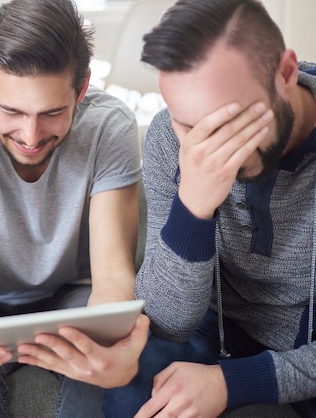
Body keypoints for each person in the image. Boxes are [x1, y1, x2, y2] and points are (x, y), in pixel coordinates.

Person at [0, 0, 150, 416]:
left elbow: (112, 277)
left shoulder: (109, 125)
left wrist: (107, 345)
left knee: (95, 383)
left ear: (82, 87)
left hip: (73, 295)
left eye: (53, 112)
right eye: (11, 111)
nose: (31, 135)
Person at [101, 0, 316, 417]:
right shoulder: (170, 139)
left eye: (225, 121)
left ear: (285, 74)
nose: (208, 147)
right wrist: (193, 206)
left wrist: (235, 383)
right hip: (218, 326)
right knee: (135, 377)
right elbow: (167, 323)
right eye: (188, 124)